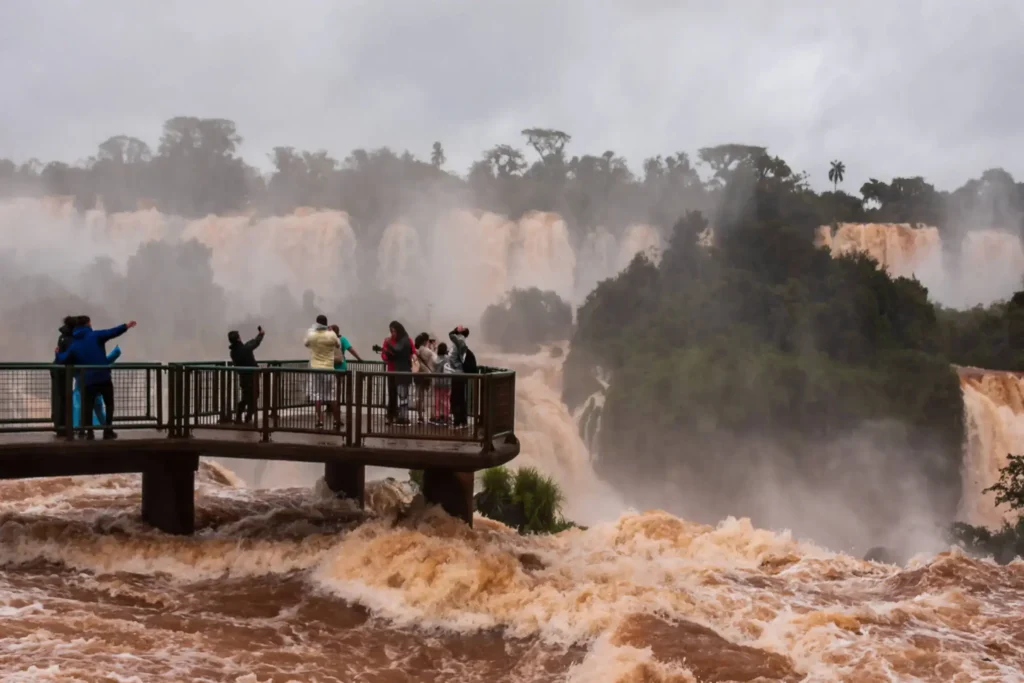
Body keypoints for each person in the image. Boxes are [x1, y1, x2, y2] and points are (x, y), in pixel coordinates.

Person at [55, 317, 136, 440]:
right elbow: (112, 332)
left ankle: (90, 433)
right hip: (103, 376)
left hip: (87, 380)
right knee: (109, 403)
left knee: (87, 406)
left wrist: (57, 353)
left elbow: (63, 359)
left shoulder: (74, 345)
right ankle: (108, 430)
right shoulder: (95, 335)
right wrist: (125, 326)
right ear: (87, 324)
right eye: (90, 322)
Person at [304, 315, 340, 429]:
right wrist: (330, 332)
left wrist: (312, 330)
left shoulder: (312, 335)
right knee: (332, 396)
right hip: (329, 369)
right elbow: (338, 344)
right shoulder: (332, 334)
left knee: (317, 396)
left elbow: (306, 343)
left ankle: (319, 421)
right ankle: (336, 420)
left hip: (316, 369)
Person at [375, 321, 413, 425]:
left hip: (401, 369)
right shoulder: (388, 341)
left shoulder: (405, 340)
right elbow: (384, 354)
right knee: (392, 394)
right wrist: (386, 356)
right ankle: (391, 415)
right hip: (391, 370)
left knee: (402, 394)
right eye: (391, 331)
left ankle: (402, 416)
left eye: (394, 331)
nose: (393, 333)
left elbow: (410, 352)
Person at [228, 326, 264, 424]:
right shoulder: (245, 348)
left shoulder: (233, 352)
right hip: (252, 377)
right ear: (238, 338)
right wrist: (261, 334)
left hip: (243, 378)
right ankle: (247, 417)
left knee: (246, 397)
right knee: (253, 397)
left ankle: (239, 416)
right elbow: (255, 342)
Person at [51, 315, 78, 435]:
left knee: (59, 399)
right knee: (65, 399)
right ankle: (64, 428)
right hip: (63, 371)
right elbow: (68, 356)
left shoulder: (63, 336)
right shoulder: (70, 339)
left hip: (57, 370)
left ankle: (59, 426)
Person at [448, 325, 475, 428]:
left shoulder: (459, 341)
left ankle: (458, 422)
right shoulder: (461, 342)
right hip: (459, 373)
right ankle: (462, 421)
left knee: (456, 399)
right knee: (459, 398)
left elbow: (450, 335)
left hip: (457, 374)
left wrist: (455, 330)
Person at [413, 332, 437, 423]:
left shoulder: (416, 351)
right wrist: (433, 348)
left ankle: (420, 416)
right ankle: (432, 416)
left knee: (419, 396)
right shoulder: (427, 351)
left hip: (418, 375)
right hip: (427, 376)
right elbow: (435, 360)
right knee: (430, 397)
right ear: (426, 341)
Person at [432, 342, 452, 425]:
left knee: (437, 400)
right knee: (446, 400)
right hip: (445, 382)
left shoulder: (435, 359)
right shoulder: (447, 359)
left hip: (437, 382)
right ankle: (446, 416)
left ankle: (437, 416)